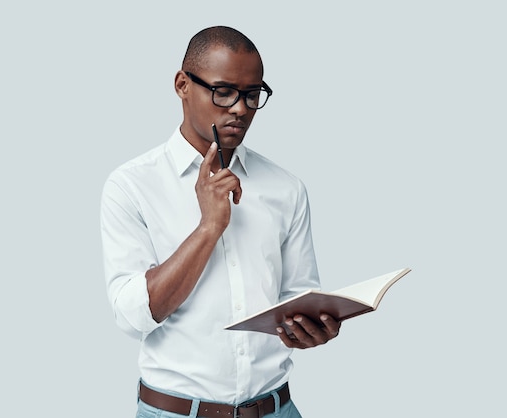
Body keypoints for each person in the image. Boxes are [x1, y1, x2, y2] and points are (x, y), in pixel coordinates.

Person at [100, 26, 341, 418]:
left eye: (252, 95)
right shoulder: (131, 185)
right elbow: (132, 316)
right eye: (224, 91)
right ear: (182, 84)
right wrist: (209, 228)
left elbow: (298, 296)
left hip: (276, 409)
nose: (241, 109)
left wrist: (311, 327)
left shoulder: (286, 188)